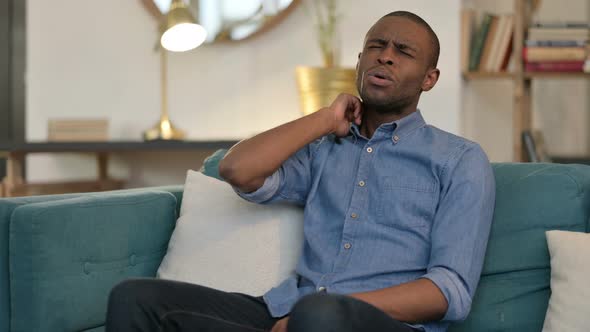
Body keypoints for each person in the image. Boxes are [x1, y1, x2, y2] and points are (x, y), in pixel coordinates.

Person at [105, 10, 495, 332]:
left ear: (430, 78)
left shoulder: (459, 160)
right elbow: (237, 169)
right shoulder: (325, 148)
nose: (386, 56)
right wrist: (325, 119)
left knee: (318, 315)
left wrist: (321, 311)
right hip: (288, 312)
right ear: (359, 62)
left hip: (376, 325)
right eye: (376, 46)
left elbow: (449, 292)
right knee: (135, 298)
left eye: (403, 51)